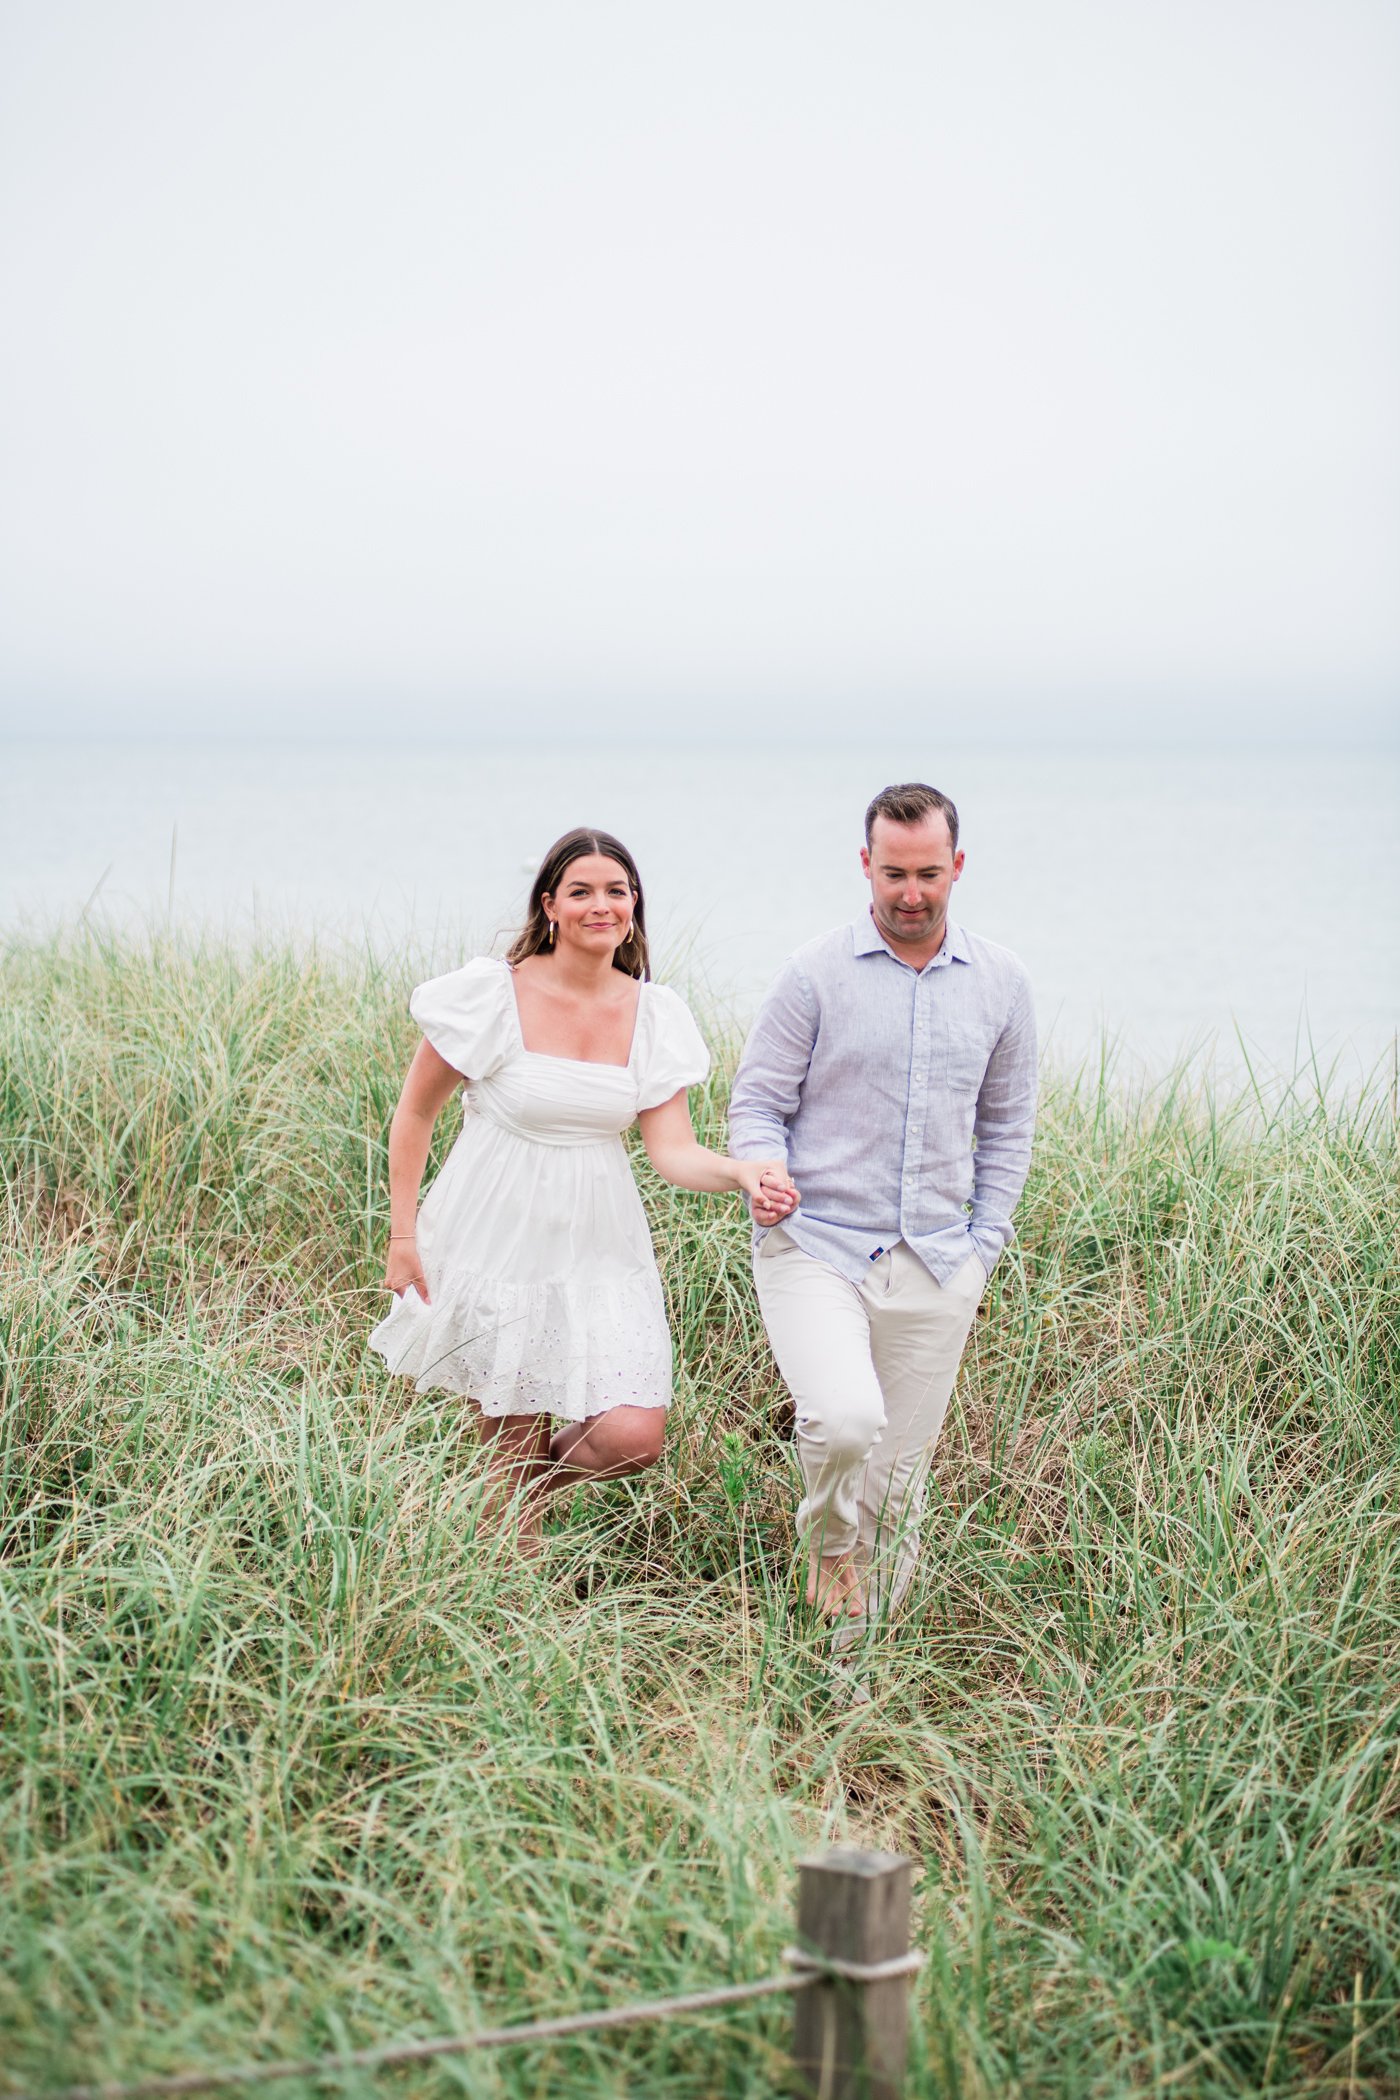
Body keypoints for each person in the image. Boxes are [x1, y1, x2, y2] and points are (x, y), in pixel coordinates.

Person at [370, 826, 797, 1546]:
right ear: (551, 907)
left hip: (600, 1243)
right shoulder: (491, 995)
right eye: (582, 892)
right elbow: (414, 1114)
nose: (602, 905)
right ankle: (505, 1595)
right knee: (507, 1440)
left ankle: (515, 1500)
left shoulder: (654, 1013)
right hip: (496, 1233)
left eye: (616, 891)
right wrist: (403, 1237)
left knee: (634, 1435)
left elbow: (673, 1150)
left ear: (634, 907)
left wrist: (738, 1172)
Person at [728, 782, 1037, 1631]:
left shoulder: (1003, 983)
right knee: (845, 1419)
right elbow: (756, 1103)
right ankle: (828, 1552)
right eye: (893, 872)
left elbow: (1008, 1128)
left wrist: (985, 1248)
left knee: (899, 1487)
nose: (910, 893)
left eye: (928, 873)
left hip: (941, 1261)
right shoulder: (813, 974)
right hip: (816, 1246)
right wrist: (762, 1170)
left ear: (957, 867)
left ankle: (853, 1679)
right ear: (865, 864)